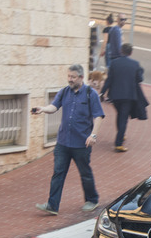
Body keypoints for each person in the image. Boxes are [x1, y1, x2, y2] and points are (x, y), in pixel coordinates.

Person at [31, 64, 105, 215]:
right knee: (58, 173)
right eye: (69, 76)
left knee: (85, 173)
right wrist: (43, 109)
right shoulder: (64, 92)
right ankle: (52, 205)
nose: (70, 79)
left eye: (73, 77)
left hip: (81, 143)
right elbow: (54, 107)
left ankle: (92, 199)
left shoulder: (91, 94)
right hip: (63, 142)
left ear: (81, 78)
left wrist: (93, 135)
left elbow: (99, 116)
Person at [100, 43, 144, 152]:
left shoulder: (114, 63)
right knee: (123, 118)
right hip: (128, 96)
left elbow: (109, 80)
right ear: (131, 53)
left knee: (119, 115)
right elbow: (139, 79)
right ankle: (118, 143)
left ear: (121, 51)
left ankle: (121, 134)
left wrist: (102, 93)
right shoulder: (135, 64)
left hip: (115, 96)